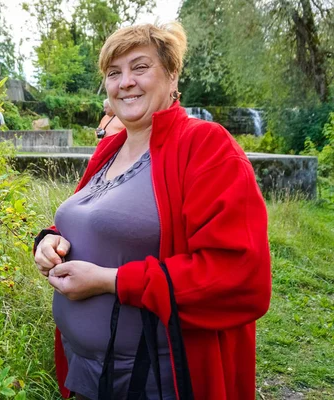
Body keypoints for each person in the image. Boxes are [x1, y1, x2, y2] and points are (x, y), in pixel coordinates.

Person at [33, 22, 271, 400]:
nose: (125, 81)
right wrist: (48, 241)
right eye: (114, 73)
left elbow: (239, 274)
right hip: (88, 373)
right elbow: (96, 221)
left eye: (140, 67)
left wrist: (109, 281)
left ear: (172, 75)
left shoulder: (206, 146)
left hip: (157, 379)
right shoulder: (109, 150)